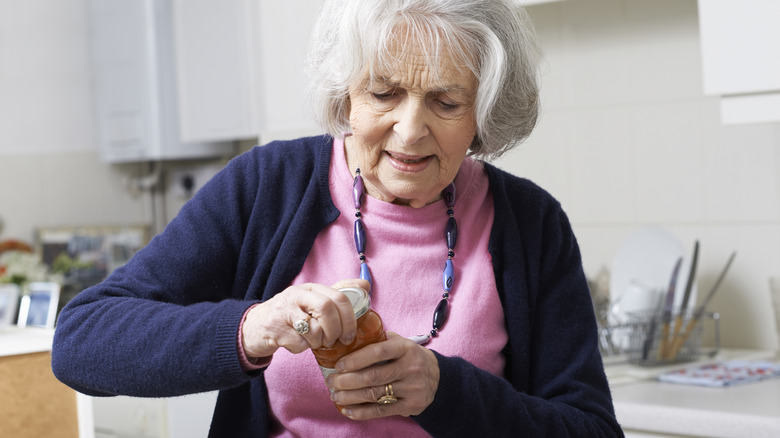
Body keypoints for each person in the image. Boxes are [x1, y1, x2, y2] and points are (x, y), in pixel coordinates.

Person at [52, 0, 623, 436]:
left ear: (484, 113)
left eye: (446, 103)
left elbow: (592, 428)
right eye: (383, 92)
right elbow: (81, 342)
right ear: (346, 94)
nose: (409, 129)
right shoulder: (266, 186)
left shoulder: (531, 223)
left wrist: (444, 389)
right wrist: (253, 329)